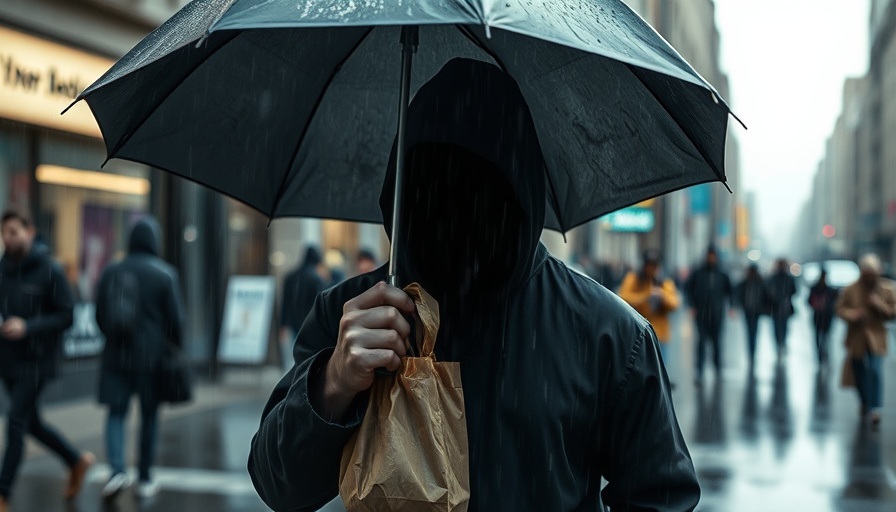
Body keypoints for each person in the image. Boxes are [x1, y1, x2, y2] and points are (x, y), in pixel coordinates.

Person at [248, 58, 699, 511]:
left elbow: (659, 494)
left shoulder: (607, 334)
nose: (456, 205)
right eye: (434, 179)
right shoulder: (353, 314)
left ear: (517, 195)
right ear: (404, 185)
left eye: (480, 189)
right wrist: (334, 382)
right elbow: (279, 485)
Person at [0, 211, 94, 511]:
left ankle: (3, 492)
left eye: (14, 231)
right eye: (4, 233)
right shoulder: (3, 269)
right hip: (9, 360)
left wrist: (29, 327)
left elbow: (67, 315)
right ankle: (76, 460)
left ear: (30, 231)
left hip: (38, 360)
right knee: (31, 423)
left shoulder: (50, 270)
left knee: (15, 422)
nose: (8, 238)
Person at [94, 216, 185, 499]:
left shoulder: (112, 271)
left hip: (116, 355)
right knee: (148, 417)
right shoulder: (164, 274)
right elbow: (176, 321)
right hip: (151, 358)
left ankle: (117, 471)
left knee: (116, 413)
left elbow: (99, 313)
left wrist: (113, 337)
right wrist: (171, 348)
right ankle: (144, 478)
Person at [836, 254, 896, 426]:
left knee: (875, 371)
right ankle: (865, 401)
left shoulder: (886, 289)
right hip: (856, 337)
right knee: (859, 371)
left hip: (877, 336)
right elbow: (840, 309)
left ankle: (875, 407)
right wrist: (852, 315)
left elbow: (892, 312)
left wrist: (878, 304)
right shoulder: (851, 289)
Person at [618, 249, 681, 364]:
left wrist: (662, 296)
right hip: (637, 334)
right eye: (649, 265)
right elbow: (623, 297)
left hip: (660, 335)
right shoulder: (634, 278)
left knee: (659, 370)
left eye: (654, 265)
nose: (651, 269)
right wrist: (646, 297)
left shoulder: (664, 282)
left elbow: (674, 303)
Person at [684, 245, 732, 385]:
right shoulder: (698, 272)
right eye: (709, 255)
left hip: (717, 314)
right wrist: (692, 306)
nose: (711, 258)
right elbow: (688, 289)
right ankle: (699, 370)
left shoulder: (722, 274)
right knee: (701, 342)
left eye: (713, 255)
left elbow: (730, 291)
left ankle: (717, 369)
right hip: (702, 314)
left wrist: (732, 307)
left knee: (717, 342)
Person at [279, 246, 327, 370]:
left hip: (291, 324)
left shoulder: (290, 276)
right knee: (306, 360)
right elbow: (318, 306)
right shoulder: (316, 278)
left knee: (290, 360)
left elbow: (285, 302)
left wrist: (283, 324)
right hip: (309, 325)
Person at [735, 264, 770, 371]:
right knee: (750, 331)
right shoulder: (746, 283)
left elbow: (766, 295)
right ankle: (751, 352)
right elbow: (738, 292)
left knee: (753, 331)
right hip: (748, 311)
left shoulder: (759, 282)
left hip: (756, 311)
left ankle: (752, 352)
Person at [766, 258, 797, 360]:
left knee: (782, 327)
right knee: (778, 328)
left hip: (784, 307)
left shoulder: (787, 278)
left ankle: (781, 344)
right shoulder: (775, 278)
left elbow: (793, 290)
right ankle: (780, 345)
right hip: (776, 307)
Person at [807, 268, 839, 366]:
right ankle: (820, 355)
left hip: (826, 317)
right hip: (818, 316)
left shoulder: (830, 290)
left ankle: (823, 353)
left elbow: (836, 302)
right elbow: (809, 301)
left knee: (825, 337)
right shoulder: (815, 288)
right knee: (818, 337)